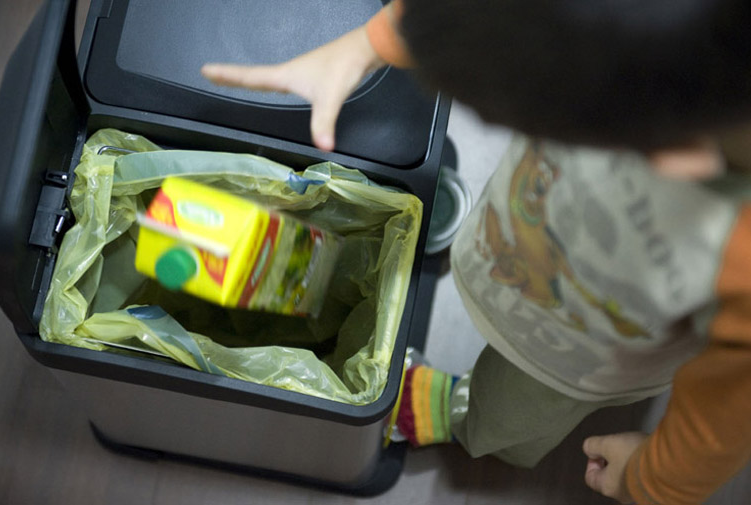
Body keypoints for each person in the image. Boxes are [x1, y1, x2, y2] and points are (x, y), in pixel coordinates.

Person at [201, 1, 751, 503]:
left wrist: (650, 479)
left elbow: (724, 417)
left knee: (513, 410)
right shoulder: (634, 51)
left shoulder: (737, 264)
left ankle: (467, 418)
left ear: (670, 158)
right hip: (530, 251)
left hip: (581, 356)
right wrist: (368, 45)